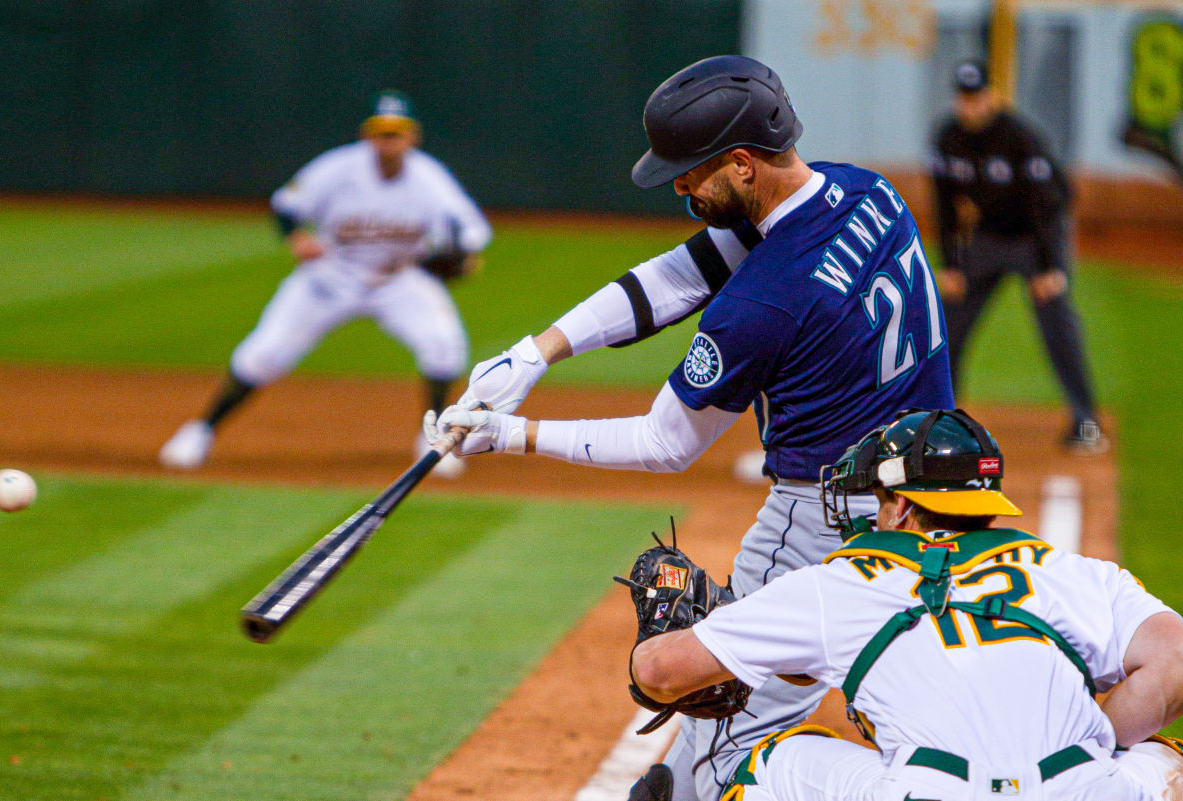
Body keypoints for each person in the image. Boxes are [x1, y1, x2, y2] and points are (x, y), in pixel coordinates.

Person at [427, 55, 954, 801]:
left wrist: (509, 435)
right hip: (942, 511)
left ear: (741, 164)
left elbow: (665, 443)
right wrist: (537, 351)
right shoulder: (865, 191)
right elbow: (681, 274)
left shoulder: (763, 304)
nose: (677, 186)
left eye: (690, 171)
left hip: (824, 533)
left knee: (717, 750)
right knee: (949, 723)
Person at [630, 409, 1183, 801]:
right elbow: (1175, 658)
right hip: (1083, 791)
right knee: (1163, 761)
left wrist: (654, 639)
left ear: (899, 507)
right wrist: (1098, 742)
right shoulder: (1074, 573)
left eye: (876, 497)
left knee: (760, 765)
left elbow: (659, 673)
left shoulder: (841, 584)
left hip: (930, 792)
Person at [159, 91, 490, 476]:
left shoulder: (429, 178)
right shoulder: (337, 168)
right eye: (382, 132)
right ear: (368, 135)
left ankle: (433, 442)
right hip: (332, 276)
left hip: (397, 279)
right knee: (263, 355)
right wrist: (296, 238)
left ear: (412, 137)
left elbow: (472, 231)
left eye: (397, 132)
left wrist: (462, 257)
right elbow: (286, 204)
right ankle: (200, 431)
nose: (389, 140)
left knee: (445, 346)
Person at [931, 59, 1107, 455]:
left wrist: (1050, 267)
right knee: (947, 324)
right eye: (964, 97)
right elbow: (945, 208)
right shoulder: (948, 138)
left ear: (992, 96)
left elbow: (1048, 203)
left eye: (977, 96)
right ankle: (940, 421)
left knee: (1057, 322)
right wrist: (952, 265)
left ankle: (1086, 419)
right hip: (988, 238)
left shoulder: (1019, 137)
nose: (970, 105)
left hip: (1035, 239)